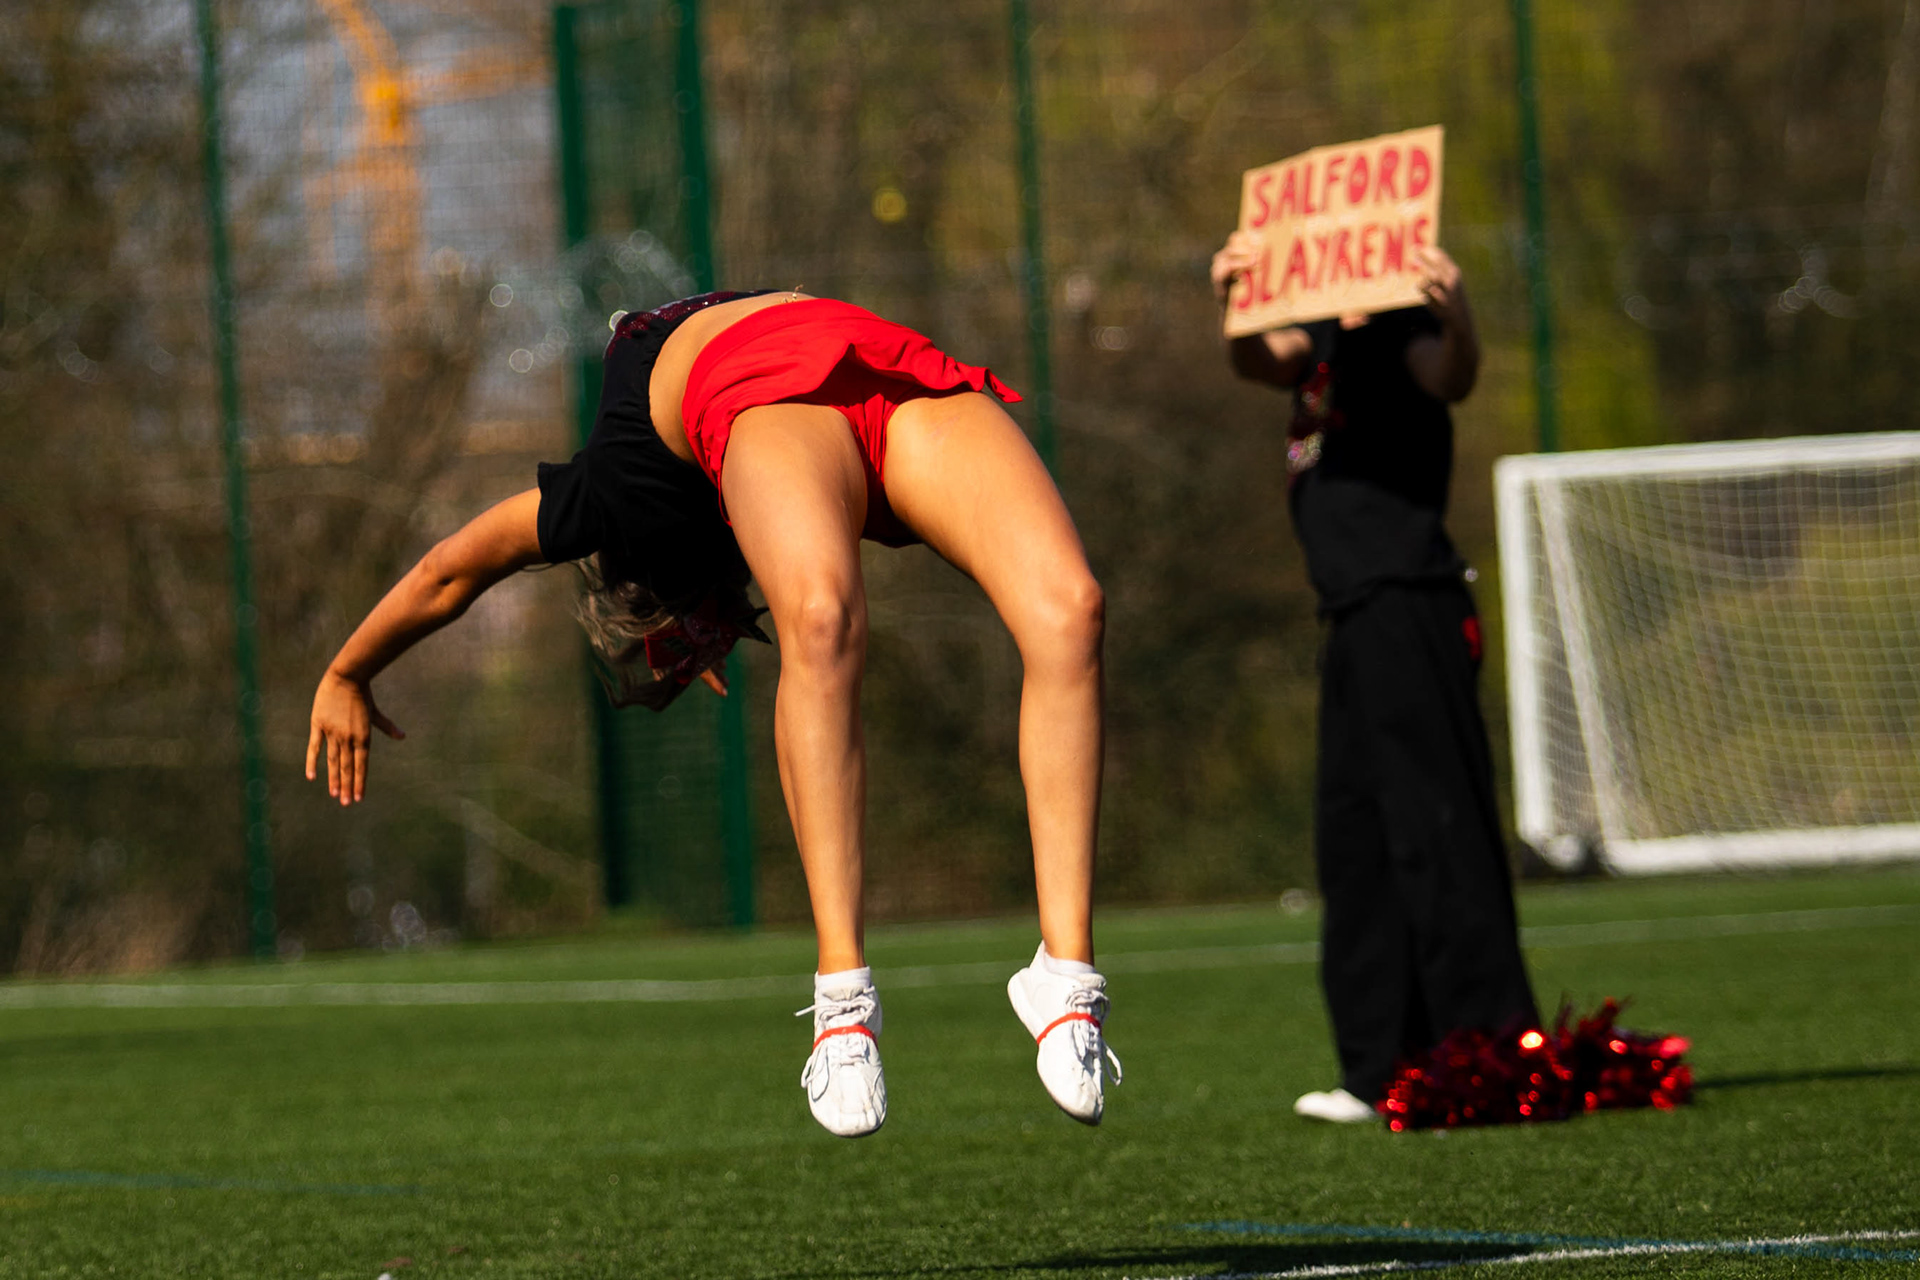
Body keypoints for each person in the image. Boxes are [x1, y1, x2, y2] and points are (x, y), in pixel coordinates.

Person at [306, 290, 1121, 1138]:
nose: (721, 636)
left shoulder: (612, 498)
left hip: (862, 361)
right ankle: (844, 999)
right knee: (821, 618)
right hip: (766, 403)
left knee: (1072, 608)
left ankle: (1064, 976)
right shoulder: (725, 501)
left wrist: (347, 669)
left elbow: (451, 568)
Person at [1209, 235, 1539, 1123]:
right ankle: (1380, 1068)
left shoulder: (1407, 327)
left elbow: (1454, 373)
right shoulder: (1312, 336)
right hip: (1350, 615)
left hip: (1412, 602)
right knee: (1354, 844)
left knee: (1439, 830)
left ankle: (1493, 1057)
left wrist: (1459, 306)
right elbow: (1253, 356)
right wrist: (1237, 296)